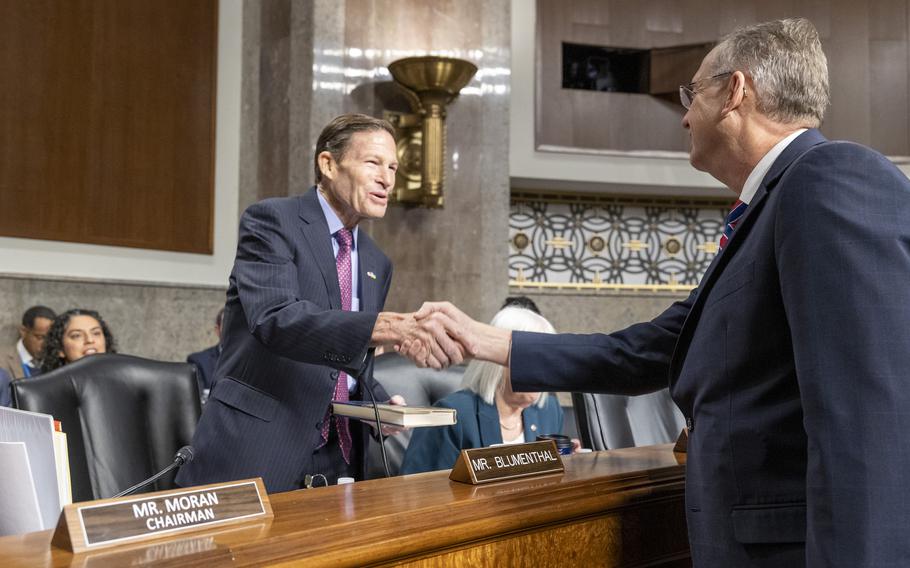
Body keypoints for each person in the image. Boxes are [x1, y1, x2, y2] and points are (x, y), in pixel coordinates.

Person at [406, 18, 910, 567]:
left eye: (692, 94)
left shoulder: (827, 177)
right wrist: (488, 340)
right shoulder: (769, 209)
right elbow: (645, 351)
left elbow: (868, 421)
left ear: (735, 91)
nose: (686, 115)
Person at [177, 114, 464, 492]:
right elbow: (274, 318)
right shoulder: (273, 221)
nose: (388, 179)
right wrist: (388, 327)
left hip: (341, 457)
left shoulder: (377, 261)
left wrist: (378, 403)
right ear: (328, 164)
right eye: (373, 163)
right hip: (261, 447)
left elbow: (345, 358)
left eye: (393, 167)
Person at [400, 306, 564, 474]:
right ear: (498, 360)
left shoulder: (550, 411)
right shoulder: (449, 416)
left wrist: (570, 462)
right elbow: (418, 492)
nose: (544, 370)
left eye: (546, 361)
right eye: (534, 359)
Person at [38, 309, 116, 373]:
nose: (90, 340)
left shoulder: (123, 379)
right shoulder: (45, 389)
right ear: (60, 349)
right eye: (77, 336)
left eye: (96, 333)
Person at [1, 305, 56, 378]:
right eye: (40, 337)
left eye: (51, 338)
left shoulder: (56, 360)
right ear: (23, 331)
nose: (46, 343)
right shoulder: (2, 361)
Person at [186, 308, 224, 403]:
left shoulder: (251, 362)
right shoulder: (199, 361)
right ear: (217, 330)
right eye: (229, 325)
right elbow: (196, 403)